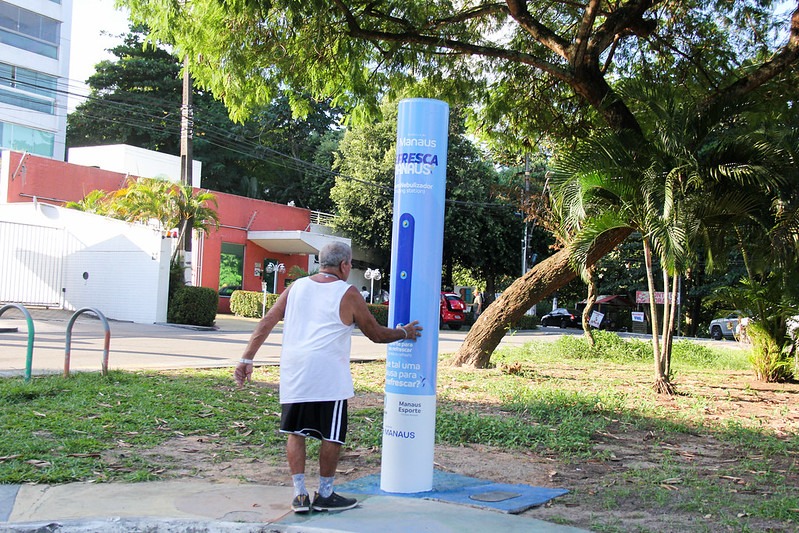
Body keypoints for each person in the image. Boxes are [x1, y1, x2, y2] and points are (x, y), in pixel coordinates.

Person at [234, 242, 422, 514]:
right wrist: (404, 332)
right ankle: (325, 493)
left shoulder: (295, 287)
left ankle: (299, 494)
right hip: (327, 375)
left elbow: (268, 320)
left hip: (295, 371)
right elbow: (376, 333)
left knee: (295, 432)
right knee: (331, 434)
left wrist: (246, 358)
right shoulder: (348, 293)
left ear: (320, 263)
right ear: (345, 265)